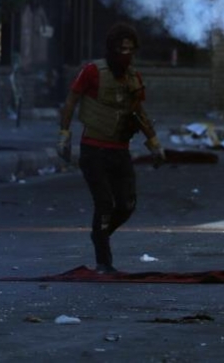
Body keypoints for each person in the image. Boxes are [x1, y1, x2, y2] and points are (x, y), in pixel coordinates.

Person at [57, 22, 166, 274]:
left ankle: (100, 234)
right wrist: (64, 134)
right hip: (93, 149)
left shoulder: (133, 78)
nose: (125, 54)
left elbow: (139, 112)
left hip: (120, 150)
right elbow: (72, 99)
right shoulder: (93, 71)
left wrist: (154, 144)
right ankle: (103, 261)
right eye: (120, 49)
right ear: (111, 49)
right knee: (104, 203)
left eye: (130, 49)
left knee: (127, 204)